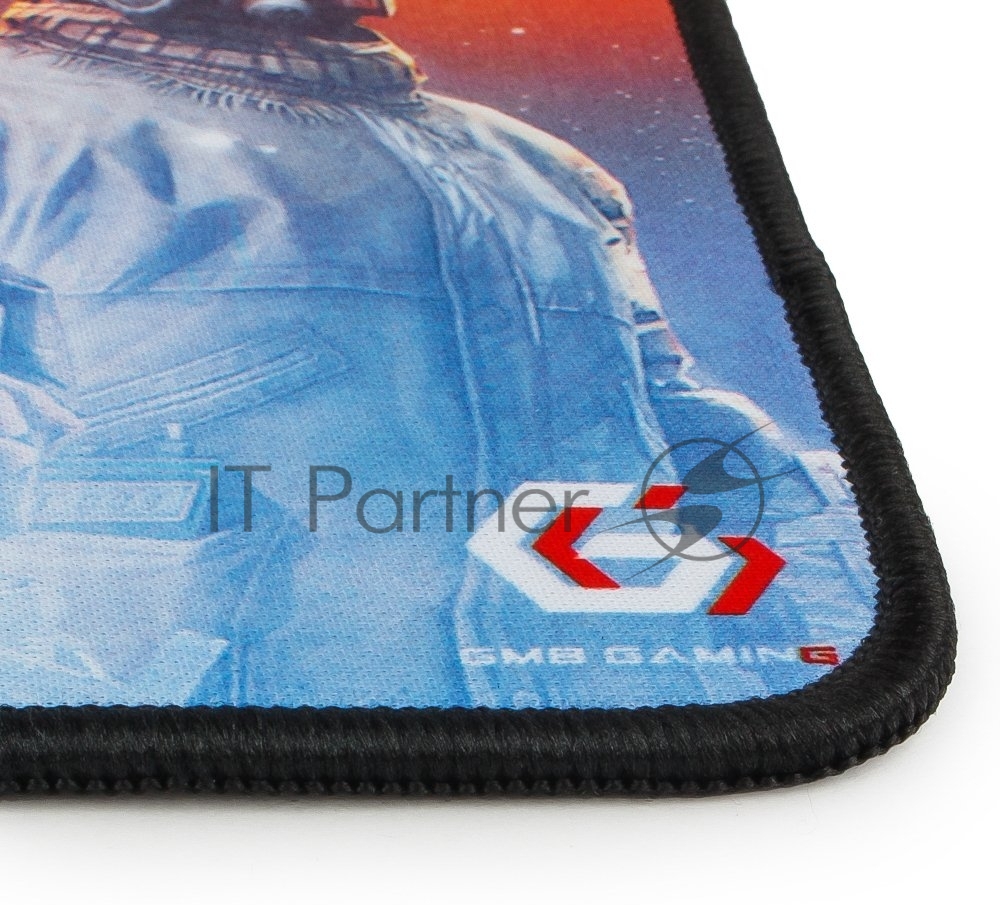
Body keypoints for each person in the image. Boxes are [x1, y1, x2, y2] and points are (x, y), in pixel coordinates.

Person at [0, 0, 874, 708]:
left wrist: (800, 624)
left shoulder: (540, 168)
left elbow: (672, 419)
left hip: (628, 717)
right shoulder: (23, 127)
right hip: (226, 744)